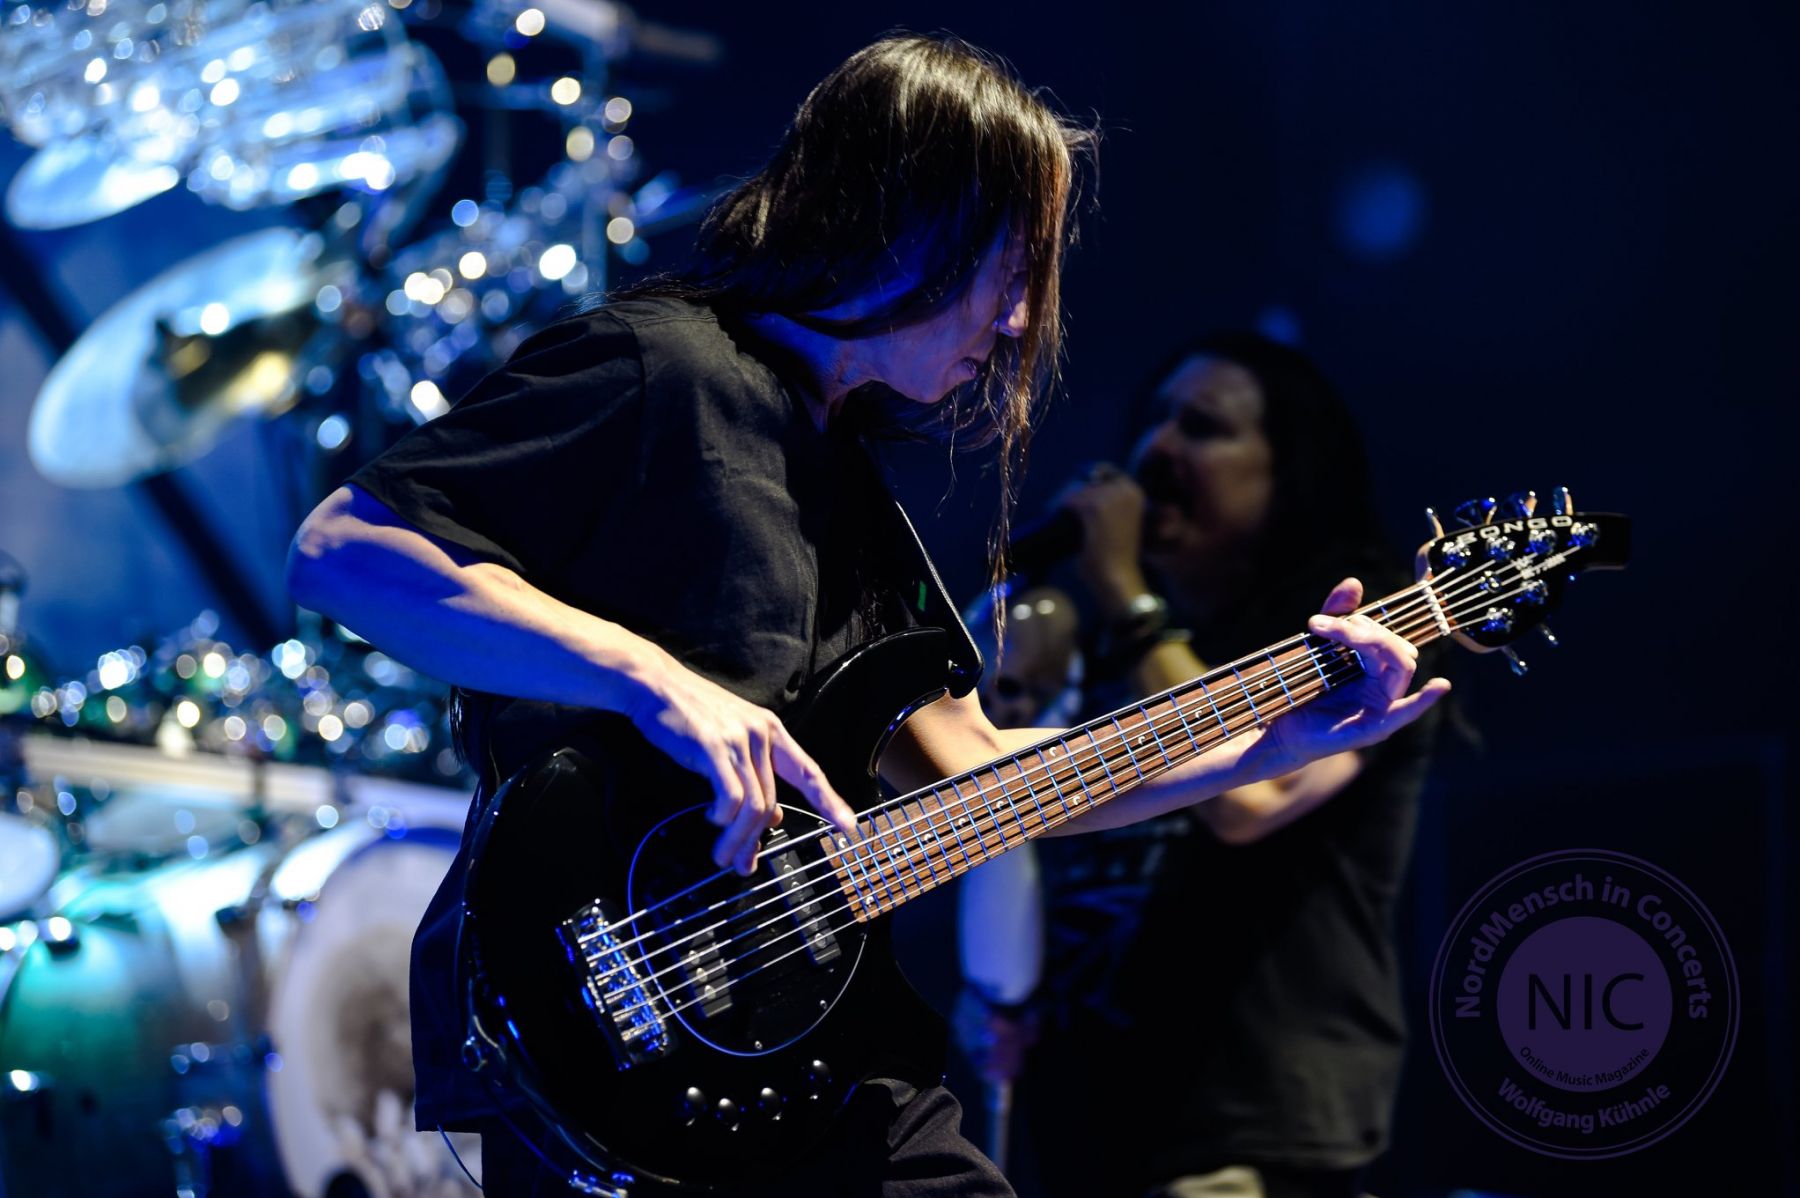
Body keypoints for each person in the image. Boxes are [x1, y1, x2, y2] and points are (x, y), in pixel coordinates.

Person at [286, 34, 1448, 1196]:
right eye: (1014, 266)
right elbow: (346, 551)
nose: (1020, 319)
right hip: (591, 1025)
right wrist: (656, 680)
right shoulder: (659, 367)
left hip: (794, 1044)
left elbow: (977, 774)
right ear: (917, 223)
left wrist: (1262, 744)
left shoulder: (848, 486)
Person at [957, 332, 1444, 1198]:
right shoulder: (1102, 641)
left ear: (1287, 471)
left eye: (1204, 427)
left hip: (1242, 1132)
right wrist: (1003, 990)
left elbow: (1253, 798)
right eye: (1156, 418)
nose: (1159, 448)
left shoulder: (1353, 641)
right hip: (1084, 1130)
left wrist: (1125, 594)